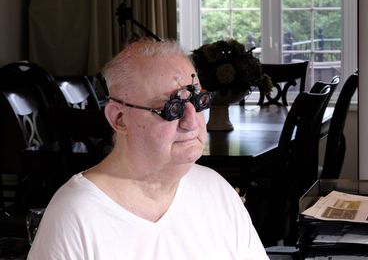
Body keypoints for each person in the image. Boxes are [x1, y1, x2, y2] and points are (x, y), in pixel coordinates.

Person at [27, 38, 269, 260]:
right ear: (119, 118)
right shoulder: (76, 215)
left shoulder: (216, 190)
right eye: (172, 108)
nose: (192, 122)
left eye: (199, 101)